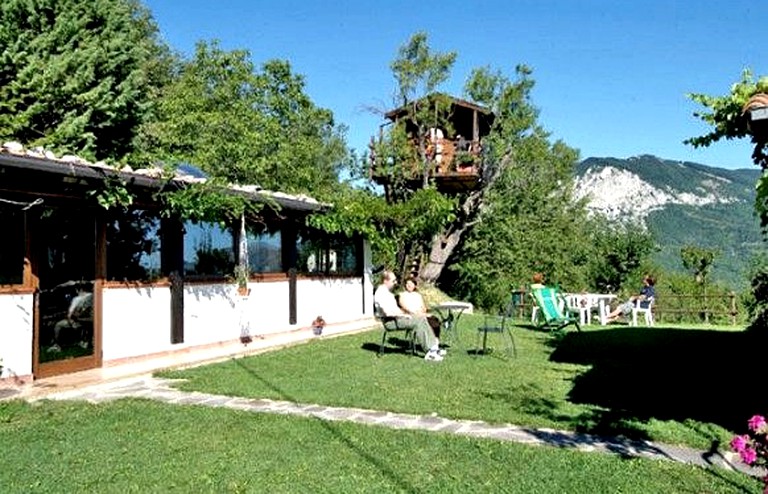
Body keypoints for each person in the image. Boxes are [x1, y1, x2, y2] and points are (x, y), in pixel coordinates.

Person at [374, 270, 445, 361]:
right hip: (391, 321)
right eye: (393, 281)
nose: (395, 283)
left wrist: (404, 314)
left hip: (397, 318)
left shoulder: (387, 293)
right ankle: (430, 352)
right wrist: (403, 315)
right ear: (385, 281)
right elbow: (388, 313)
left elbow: (395, 310)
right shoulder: (381, 293)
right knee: (419, 321)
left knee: (422, 318)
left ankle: (433, 348)